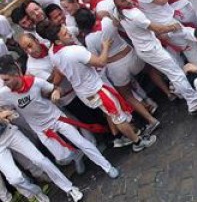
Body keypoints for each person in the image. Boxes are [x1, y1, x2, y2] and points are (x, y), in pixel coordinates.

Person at [34, 19, 156, 153]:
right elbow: (100, 62)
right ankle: (137, 141)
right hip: (96, 90)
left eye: (67, 30)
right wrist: (105, 47)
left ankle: (126, 135)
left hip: (84, 91)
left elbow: (60, 70)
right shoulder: (75, 51)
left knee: (111, 113)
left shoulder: (52, 52)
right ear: (57, 40)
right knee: (117, 115)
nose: (69, 34)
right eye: (65, 34)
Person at [0, 57, 118, 179]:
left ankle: (107, 167)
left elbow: (56, 89)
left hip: (57, 119)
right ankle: (77, 156)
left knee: (81, 142)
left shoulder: (35, 82)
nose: (4, 83)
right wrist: (3, 114)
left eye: (6, 80)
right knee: (63, 158)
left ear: (15, 75)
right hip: (41, 130)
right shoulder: (4, 93)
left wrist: (56, 92)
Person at [107, 0, 197, 115]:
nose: (128, 0)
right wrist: (171, 27)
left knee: (174, 71)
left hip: (145, 47)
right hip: (150, 49)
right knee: (176, 74)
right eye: (123, 0)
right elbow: (158, 29)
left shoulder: (116, 11)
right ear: (117, 3)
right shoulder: (134, 15)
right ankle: (194, 103)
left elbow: (114, 20)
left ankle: (183, 94)